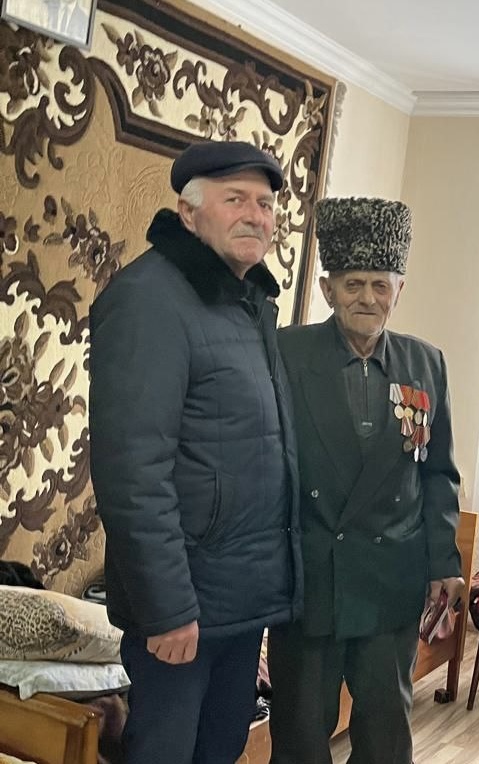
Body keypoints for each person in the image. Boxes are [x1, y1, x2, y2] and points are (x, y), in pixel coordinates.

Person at [89, 141, 301, 764]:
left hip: (240, 601)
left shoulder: (248, 301)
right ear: (188, 212)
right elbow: (133, 472)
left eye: (265, 204)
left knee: (221, 747)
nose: (256, 215)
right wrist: (168, 609)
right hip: (184, 608)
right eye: (236, 199)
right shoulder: (148, 299)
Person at [267, 197, 464, 764]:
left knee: (384, 735)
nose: (368, 298)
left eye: (381, 285)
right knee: (300, 733)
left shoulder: (426, 363)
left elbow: (439, 472)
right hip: (310, 576)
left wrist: (444, 562)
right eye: (354, 284)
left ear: (399, 290)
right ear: (328, 289)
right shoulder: (286, 352)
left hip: (390, 577)